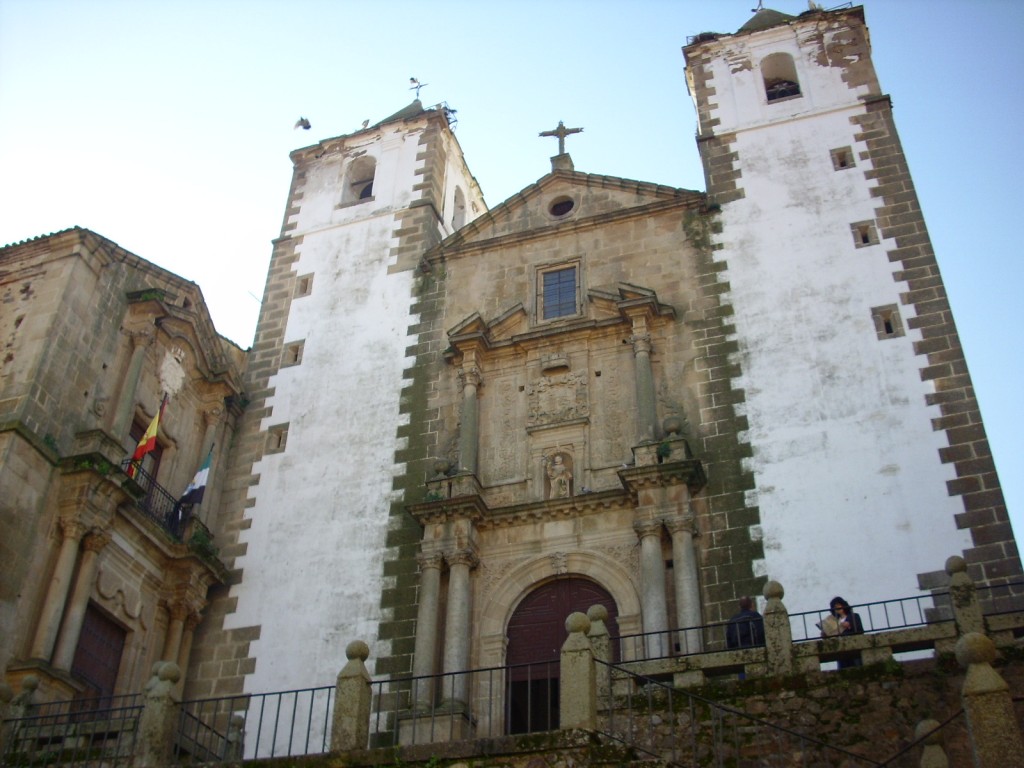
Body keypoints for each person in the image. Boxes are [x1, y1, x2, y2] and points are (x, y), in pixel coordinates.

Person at [827, 596, 864, 669]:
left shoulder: (854, 616)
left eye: (838, 605)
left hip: (854, 647)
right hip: (841, 650)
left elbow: (860, 630)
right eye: (834, 606)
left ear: (843, 605)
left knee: (857, 667)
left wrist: (849, 625)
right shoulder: (834, 622)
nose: (837, 607)